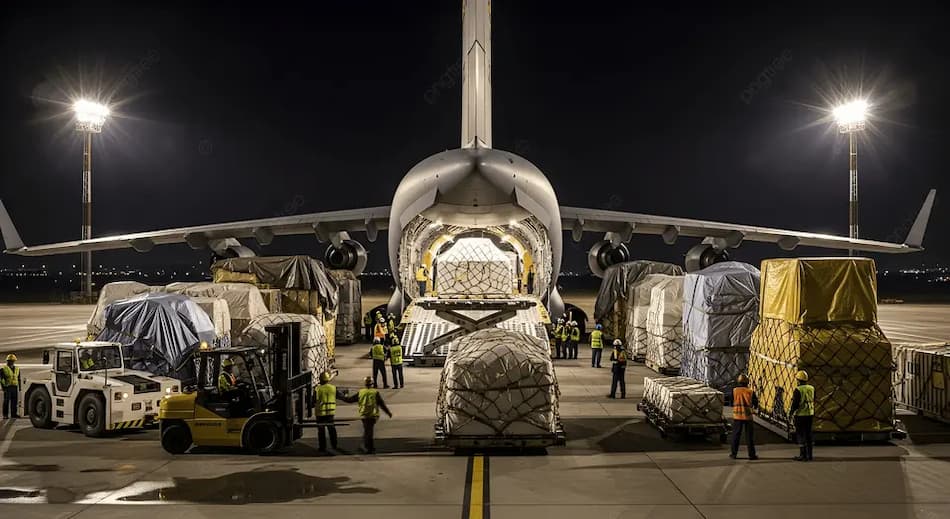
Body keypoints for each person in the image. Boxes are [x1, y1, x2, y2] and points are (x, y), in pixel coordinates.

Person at [341, 376, 393, 454]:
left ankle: (367, 446)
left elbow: (349, 400)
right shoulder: (375, 392)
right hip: (373, 415)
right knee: (369, 431)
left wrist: (344, 396)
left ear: (365, 384)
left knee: (368, 430)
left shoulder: (361, 392)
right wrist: (388, 412)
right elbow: (381, 404)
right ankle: (369, 447)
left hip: (364, 415)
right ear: (372, 384)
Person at [314, 371, 345, 454]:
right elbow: (342, 397)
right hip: (330, 413)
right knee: (332, 429)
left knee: (321, 431)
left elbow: (313, 401)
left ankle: (322, 447)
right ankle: (334, 445)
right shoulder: (333, 388)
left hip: (320, 413)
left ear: (320, 379)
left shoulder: (317, 389)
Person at [730, 374, 759, 460]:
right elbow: (755, 404)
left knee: (736, 435)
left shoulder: (734, 391)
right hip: (748, 417)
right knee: (749, 437)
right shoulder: (750, 392)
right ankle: (751, 455)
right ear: (747, 382)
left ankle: (733, 454)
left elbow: (731, 402)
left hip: (737, 416)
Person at [789, 370, 815, 462]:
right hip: (810, 414)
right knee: (808, 434)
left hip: (800, 415)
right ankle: (810, 455)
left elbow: (795, 403)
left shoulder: (798, 390)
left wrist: (791, 413)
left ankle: (802, 455)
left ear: (798, 380)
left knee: (800, 434)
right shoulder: (811, 388)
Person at [1, 354, 20, 419]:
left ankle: (13, 414)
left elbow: (18, 378)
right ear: (7, 361)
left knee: (14, 401)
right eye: (10, 361)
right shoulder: (3, 369)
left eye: (13, 361)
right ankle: (5, 415)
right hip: (7, 387)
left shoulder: (17, 368)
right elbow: (1, 379)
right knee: (6, 401)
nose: (11, 362)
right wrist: (4, 387)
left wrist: (19, 387)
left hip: (15, 386)